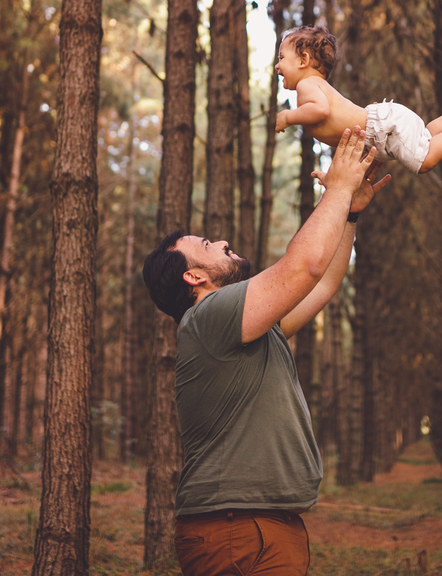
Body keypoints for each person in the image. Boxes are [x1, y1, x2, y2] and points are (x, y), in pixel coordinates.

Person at [142, 127, 390, 576]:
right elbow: (304, 265)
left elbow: (323, 281)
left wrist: (348, 214)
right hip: (236, 529)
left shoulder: (248, 326)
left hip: (258, 525)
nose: (219, 242)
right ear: (193, 278)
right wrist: (336, 189)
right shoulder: (210, 317)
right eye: (206, 246)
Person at [273, 25, 442, 174]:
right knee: (426, 138)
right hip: (381, 127)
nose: (277, 66)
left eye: (281, 58)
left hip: (380, 127)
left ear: (303, 60)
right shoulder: (317, 85)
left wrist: (288, 116)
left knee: (424, 161)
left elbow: (320, 110)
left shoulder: (306, 85)